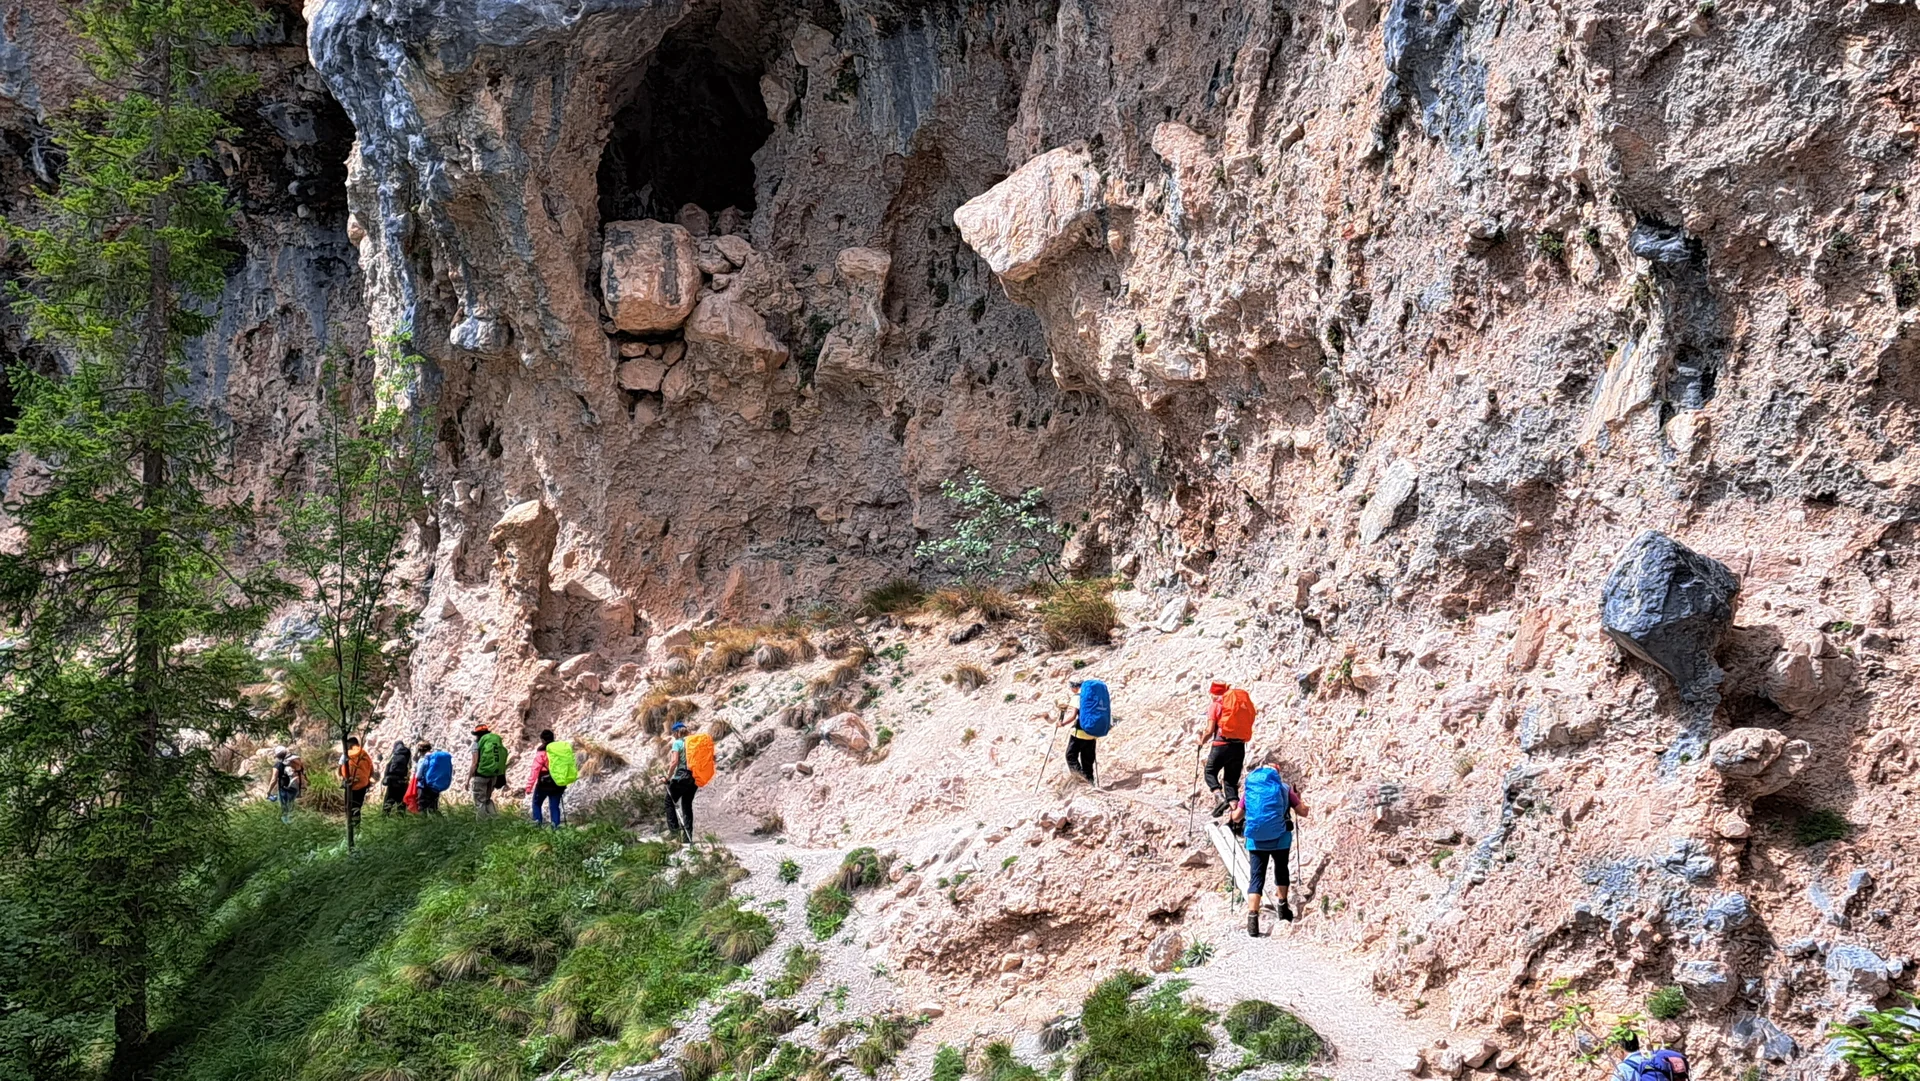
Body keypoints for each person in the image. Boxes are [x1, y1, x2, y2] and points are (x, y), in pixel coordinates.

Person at [1231, 751, 1309, 937]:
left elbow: (1236, 817)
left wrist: (1233, 809)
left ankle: (1253, 919)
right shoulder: (1284, 789)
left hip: (1256, 841)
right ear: (1277, 773)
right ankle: (1283, 908)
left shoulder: (1250, 791)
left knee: (1256, 878)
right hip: (1281, 838)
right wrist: (1299, 797)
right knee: (1281, 870)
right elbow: (1303, 812)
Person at [1200, 682, 1255, 817]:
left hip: (1221, 745)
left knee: (1210, 772)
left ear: (1213, 694)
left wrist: (1201, 741)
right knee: (1231, 782)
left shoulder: (1216, 705)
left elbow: (1210, 729)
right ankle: (1235, 818)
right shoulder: (1235, 706)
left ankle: (1219, 797)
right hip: (1239, 747)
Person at [1055, 677, 1110, 786]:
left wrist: (1062, 723)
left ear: (1074, 687)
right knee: (1088, 761)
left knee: (1070, 756)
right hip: (1092, 733)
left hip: (1079, 733)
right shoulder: (1092, 697)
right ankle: (1090, 783)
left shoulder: (1077, 697)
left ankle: (1080, 781)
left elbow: (1072, 716)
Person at [526, 729, 566, 828]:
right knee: (554, 806)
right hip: (558, 782)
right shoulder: (559, 751)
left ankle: (537, 825)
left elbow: (535, 770)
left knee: (536, 803)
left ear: (542, 740)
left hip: (544, 783)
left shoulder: (541, 752)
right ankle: (555, 827)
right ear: (553, 738)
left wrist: (529, 786)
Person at [665, 722, 697, 843]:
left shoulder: (677, 743)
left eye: (673, 733)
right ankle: (687, 837)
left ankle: (674, 833)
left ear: (676, 732)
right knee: (687, 805)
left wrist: (667, 777)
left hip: (681, 777)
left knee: (669, 802)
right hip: (694, 778)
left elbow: (674, 762)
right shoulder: (693, 744)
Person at [469, 722, 508, 817]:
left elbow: (474, 763)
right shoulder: (495, 743)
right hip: (493, 776)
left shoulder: (476, 744)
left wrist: (468, 779)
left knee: (479, 801)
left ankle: (482, 825)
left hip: (480, 776)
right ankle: (495, 819)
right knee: (487, 799)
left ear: (477, 735)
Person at [338, 737, 374, 826]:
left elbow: (340, 771)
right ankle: (357, 829)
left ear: (350, 744)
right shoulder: (365, 755)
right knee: (357, 807)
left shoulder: (346, 754)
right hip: (363, 784)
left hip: (351, 785)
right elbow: (371, 770)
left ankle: (350, 830)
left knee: (348, 808)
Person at [1610, 1041, 1688, 1081]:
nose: (1615, 1055)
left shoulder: (1622, 1068)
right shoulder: (1649, 1058)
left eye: (1614, 1050)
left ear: (1620, 1049)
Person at [267, 747, 301, 821]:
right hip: (295, 788)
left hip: (284, 789)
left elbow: (274, 779)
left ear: (278, 756)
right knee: (291, 807)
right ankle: (295, 823)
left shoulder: (278, 765)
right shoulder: (293, 761)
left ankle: (287, 826)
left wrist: (269, 792)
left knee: (285, 810)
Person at [380, 740, 413, 815]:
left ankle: (384, 819)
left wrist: (385, 778)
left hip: (392, 782)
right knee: (401, 802)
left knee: (388, 802)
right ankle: (400, 819)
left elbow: (388, 767)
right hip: (403, 782)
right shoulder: (407, 754)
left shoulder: (394, 754)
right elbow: (409, 767)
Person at [412, 740, 444, 814]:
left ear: (420, 750)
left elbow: (418, 775)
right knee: (433, 807)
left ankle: (424, 823)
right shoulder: (436, 759)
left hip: (424, 787)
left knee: (422, 807)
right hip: (435, 787)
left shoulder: (423, 760)